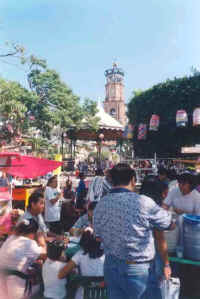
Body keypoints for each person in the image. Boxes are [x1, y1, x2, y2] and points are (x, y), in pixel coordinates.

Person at [93, 163, 173, 299]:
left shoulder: (101, 204)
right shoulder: (144, 202)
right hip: (137, 269)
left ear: (112, 181)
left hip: (111, 267)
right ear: (133, 180)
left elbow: (98, 236)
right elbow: (169, 224)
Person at [140, 175, 171, 299]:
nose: (164, 196)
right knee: (153, 289)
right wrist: (167, 264)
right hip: (150, 257)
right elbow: (160, 239)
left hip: (130, 260)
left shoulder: (135, 203)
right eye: (163, 193)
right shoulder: (153, 209)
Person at [0, 219, 46, 299]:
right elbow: (44, 255)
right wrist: (42, 242)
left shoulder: (11, 238)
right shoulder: (28, 243)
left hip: (2, 283)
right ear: (33, 233)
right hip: (15, 288)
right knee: (41, 286)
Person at [58, 228, 105, 299]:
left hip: (83, 296)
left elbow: (61, 275)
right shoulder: (108, 256)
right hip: (103, 295)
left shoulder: (80, 254)